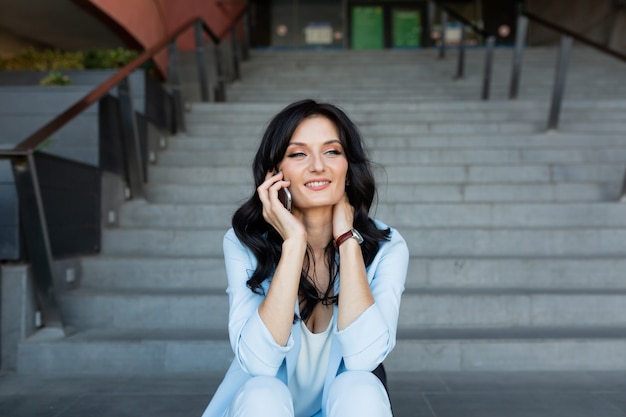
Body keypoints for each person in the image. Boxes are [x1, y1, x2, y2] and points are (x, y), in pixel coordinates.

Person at [200, 99, 409, 417]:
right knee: (262, 391)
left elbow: (364, 357)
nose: (318, 166)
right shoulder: (243, 242)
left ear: (348, 169)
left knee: (361, 385)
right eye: (298, 153)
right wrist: (294, 244)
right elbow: (259, 363)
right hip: (263, 408)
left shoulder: (387, 245)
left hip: (342, 406)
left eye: (332, 151)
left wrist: (346, 240)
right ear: (275, 173)